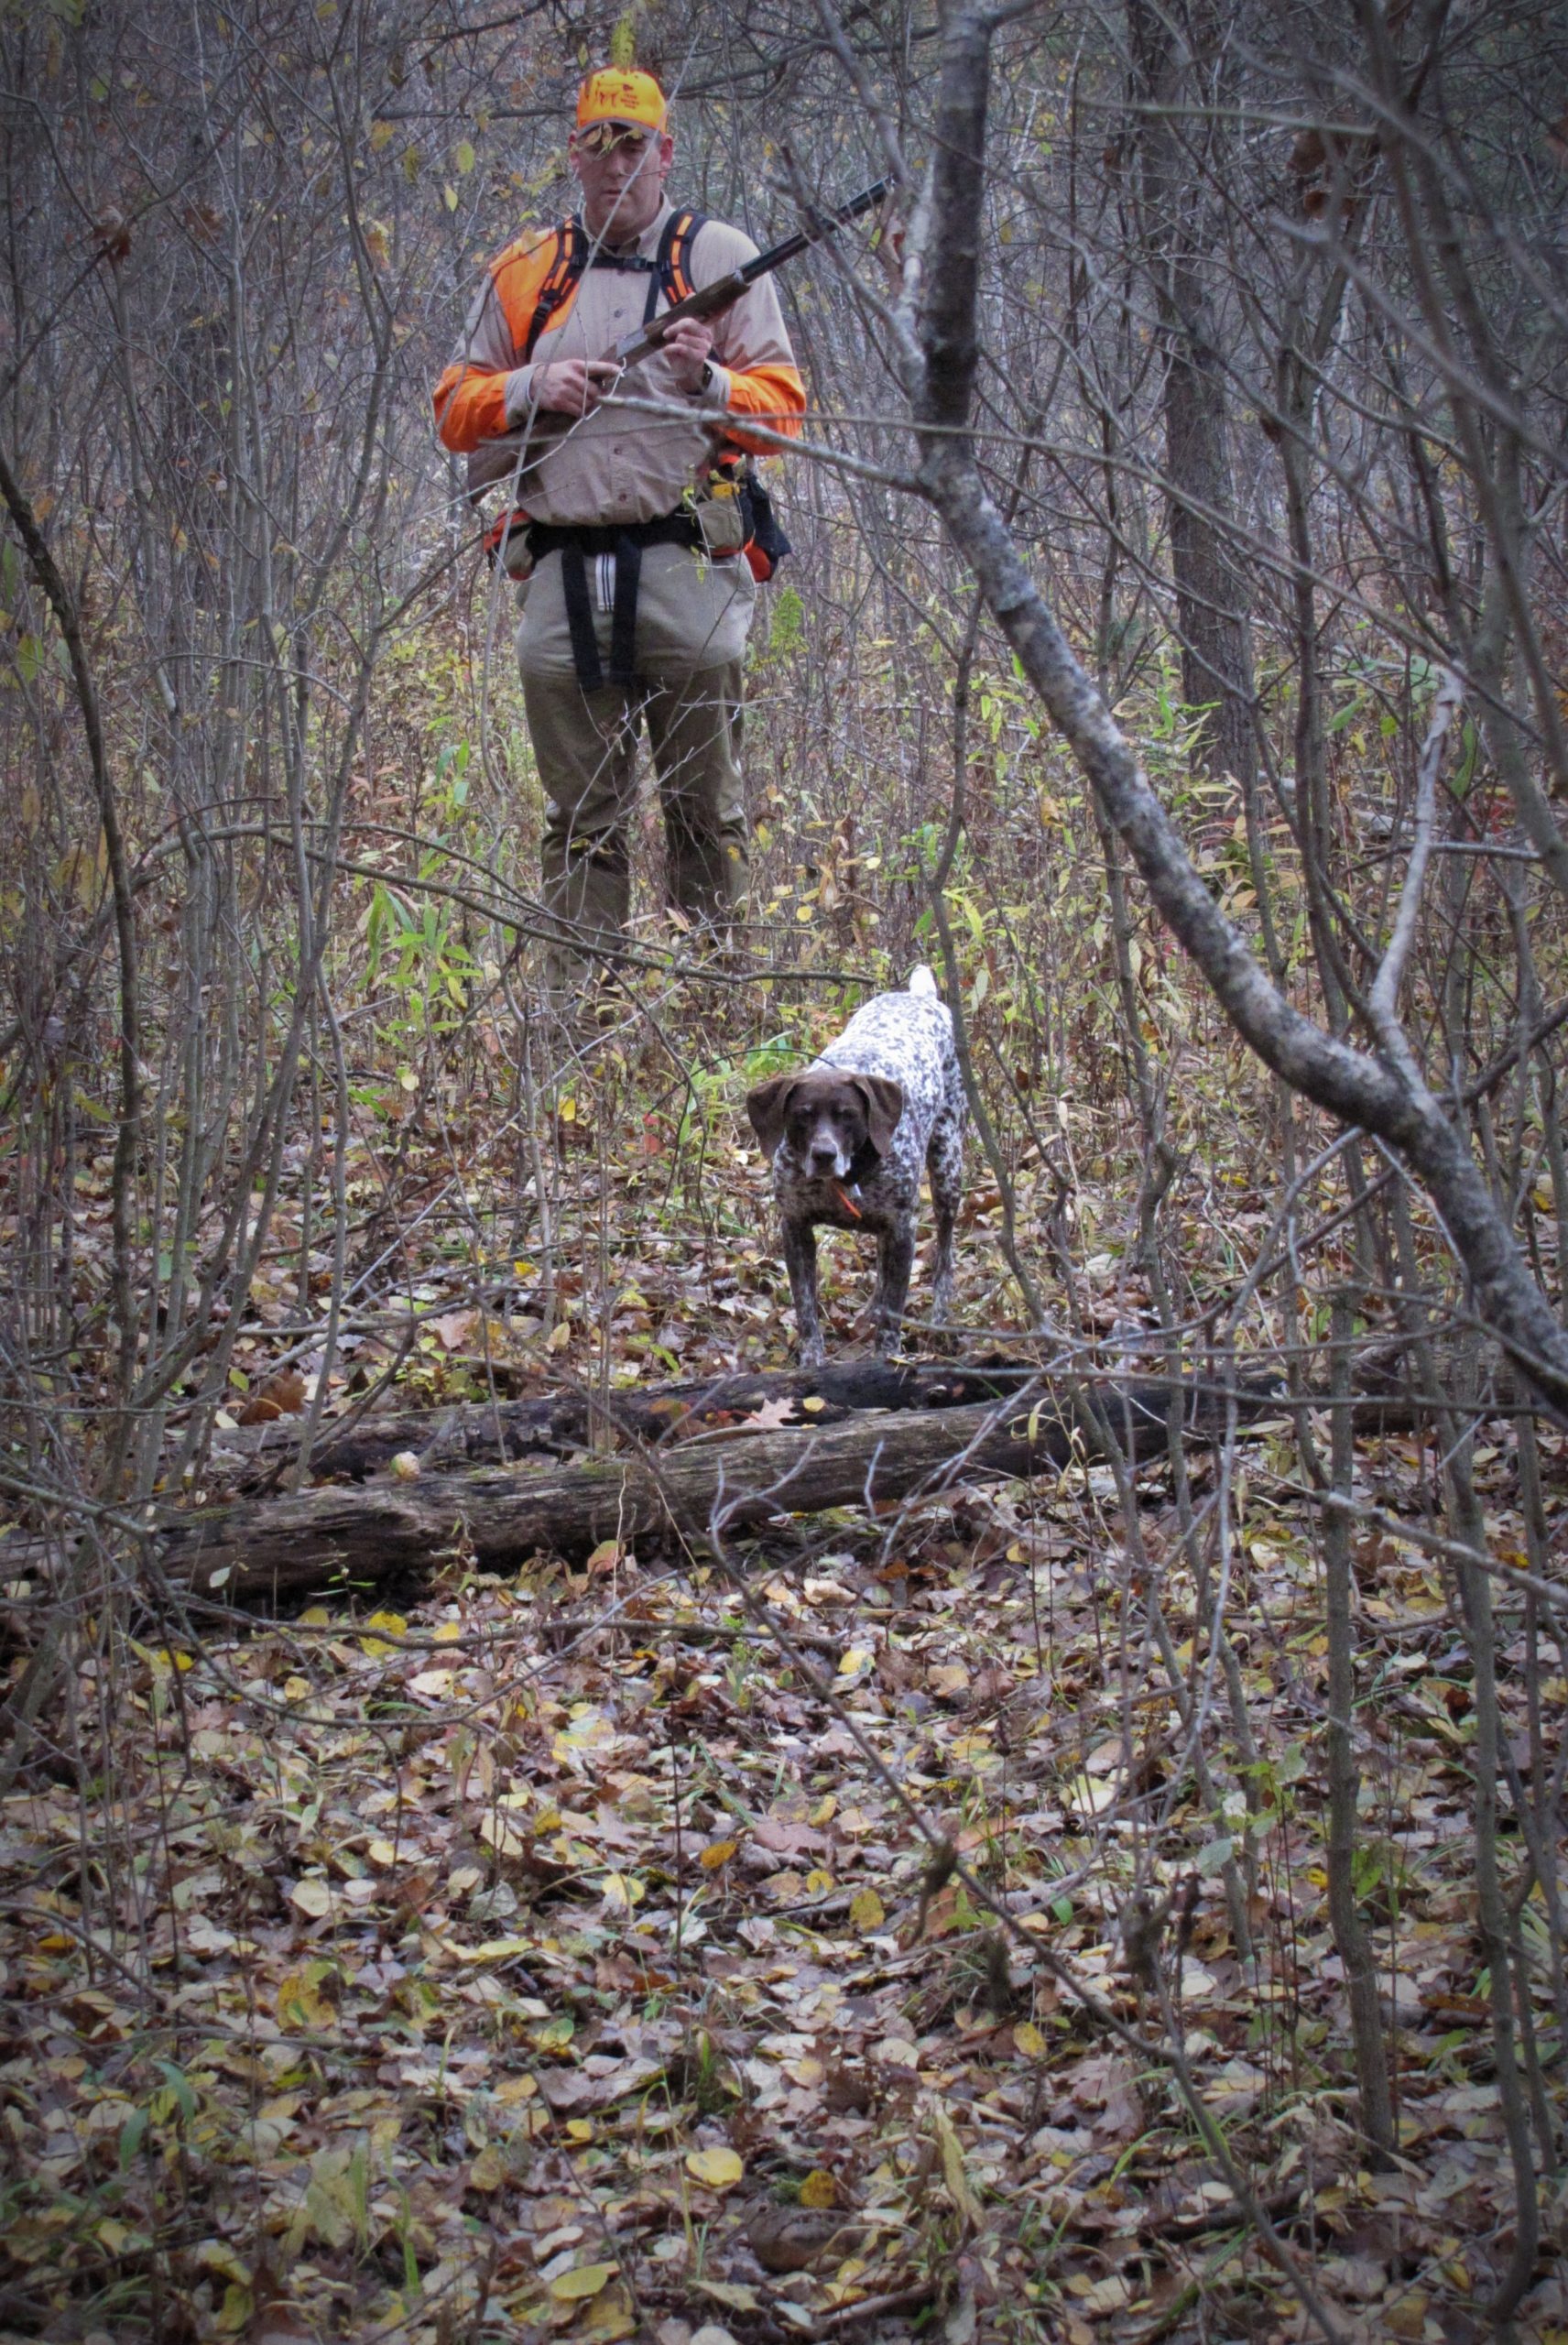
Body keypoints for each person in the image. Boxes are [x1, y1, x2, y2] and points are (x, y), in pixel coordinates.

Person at [433, 66, 805, 988]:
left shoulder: (720, 257)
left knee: (702, 811)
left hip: (686, 560)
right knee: (579, 818)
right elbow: (452, 410)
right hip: (561, 572)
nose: (614, 165)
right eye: (597, 144)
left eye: (632, 144)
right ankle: (579, 1021)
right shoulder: (525, 273)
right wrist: (530, 390)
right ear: (574, 154)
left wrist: (706, 383)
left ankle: (709, 1000)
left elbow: (784, 416)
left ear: (664, 152)